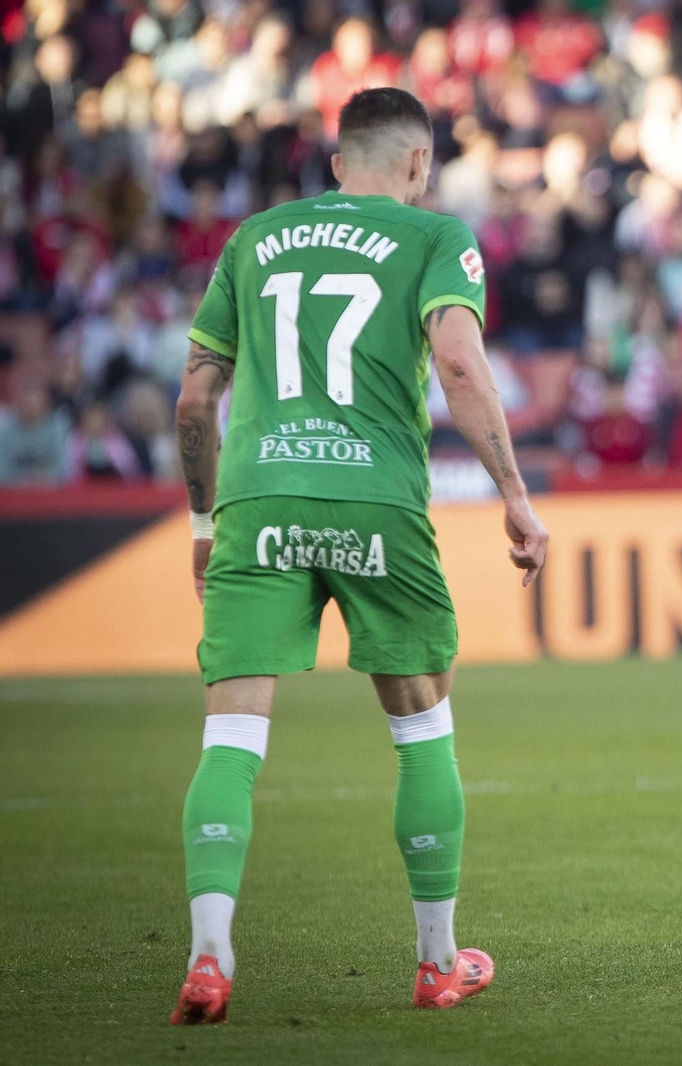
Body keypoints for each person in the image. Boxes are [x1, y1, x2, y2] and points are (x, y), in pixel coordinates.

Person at [170, 87, 549, 1023]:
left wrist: (204, 525)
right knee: (422, 728)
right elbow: (457, 362)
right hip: (376, 499)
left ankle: (210, 956)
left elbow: (193, 400)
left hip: (257, 500)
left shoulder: (254, 238)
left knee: (230, 739)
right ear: (420, 163)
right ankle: (437, 965)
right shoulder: (436, 238)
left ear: (338, 163)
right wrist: (513, 493)